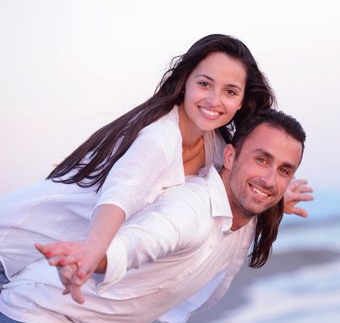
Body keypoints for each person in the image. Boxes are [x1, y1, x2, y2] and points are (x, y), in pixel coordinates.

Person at [0, 34, 313, 289]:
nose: (214, 101)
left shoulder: (216, 145)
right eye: (204, 84)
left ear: (242, 100)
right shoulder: (159, 136)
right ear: (186, 80)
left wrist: (273, 197)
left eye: (229, 91)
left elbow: (238, 182)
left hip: (46, 262)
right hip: (12, 242)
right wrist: (95, 247)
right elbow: (122, 191)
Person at [0, 109, 306, 323]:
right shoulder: (191, 209)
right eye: (261, 160)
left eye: (283, 170)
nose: (269, 179)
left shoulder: (243, 215)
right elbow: (144, 239)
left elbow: (261, 188)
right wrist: (94, 257)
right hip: (41, 320)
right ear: (229, 155)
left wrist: (277, 200)